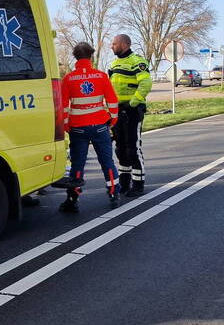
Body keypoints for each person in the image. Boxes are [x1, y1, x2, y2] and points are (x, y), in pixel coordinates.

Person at [54, 42, 120, 213]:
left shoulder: (68, 78)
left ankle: (72, 199)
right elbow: (112, 101)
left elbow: (63, 106)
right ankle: (114, 194)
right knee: (107, 162)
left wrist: (67, 125)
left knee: (77, 164)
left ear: (75, 57)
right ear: (91, 56)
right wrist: (112, 121)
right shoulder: (101, 76)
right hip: (99, 126)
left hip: (78, 128)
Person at [108, 34, 152, 197]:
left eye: (114, 43)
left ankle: (138, 184)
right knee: (121, 149)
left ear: (124, 44)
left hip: (133, 111)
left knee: (133, 148)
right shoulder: (113, 64)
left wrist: (132, 104)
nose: (111, 46)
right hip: (118, 111)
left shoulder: (137, 61)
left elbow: (146, 83)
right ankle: (124, 183)